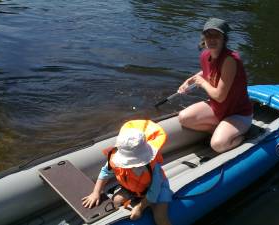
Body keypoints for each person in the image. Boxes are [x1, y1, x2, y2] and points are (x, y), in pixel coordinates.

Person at [178, 18, 253, 153]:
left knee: (218, 145)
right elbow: (209, 71)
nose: (211, 39)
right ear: (204, 38)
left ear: (223, 39)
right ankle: (219, 129)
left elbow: (219, 96)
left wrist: (202, 82)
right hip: (218, 109)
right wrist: (191, 80)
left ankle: (243, 137)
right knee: (183, 118)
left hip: (238, 113)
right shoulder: (206, 55)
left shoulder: (230, 59)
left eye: (216, 35)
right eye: (208, 35)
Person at [82, 120, 172, 225]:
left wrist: (140, 207)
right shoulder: (115, 160)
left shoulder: (153, 166)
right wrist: (96, 192)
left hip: (157, 190)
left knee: (160, 217)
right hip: (132, 189)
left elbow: (155, 190)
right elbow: (105, 173)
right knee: (115, 201)